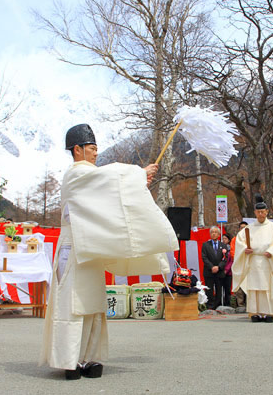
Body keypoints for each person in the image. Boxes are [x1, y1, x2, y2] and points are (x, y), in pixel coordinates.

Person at [40, 124, 178, 380]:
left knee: (93, 303)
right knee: (73, 304)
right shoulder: (76, 174)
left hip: (90, 247)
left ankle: (90, 358)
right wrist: (138, 174)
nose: (95, 153)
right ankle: (70, 359)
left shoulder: (89, 176)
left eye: (95, 149)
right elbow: (109, 180)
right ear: (77, 150)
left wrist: (137, 183)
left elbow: (110, 196)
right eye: (91, 149)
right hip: (73, 249)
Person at [231, 194, 273, 322]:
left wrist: (272, 251)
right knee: (254, 288)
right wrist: (244, 250)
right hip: (253, 260)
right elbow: (239, 241)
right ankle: (255, 313)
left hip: (267, 261)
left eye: (262, 212)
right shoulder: (249, 228)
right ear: (255, 213)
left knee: (267, 287)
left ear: (267, 212)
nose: (260, 214)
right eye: (258, 212)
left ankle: (268, 313)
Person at [201, 226, 227, 309]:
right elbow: (204, 257)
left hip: (219, 271)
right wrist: (212, 267)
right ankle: (210, 305)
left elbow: (225, 258)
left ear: (219, 234)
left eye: (215, 232)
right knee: (209, 289)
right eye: (212, 232)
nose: (214, 233)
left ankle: (217, 305)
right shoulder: (205, 245)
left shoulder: (223, 245)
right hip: (209, 271)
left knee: (219, 289)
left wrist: (218, 267)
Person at [221, 233, 234, 307]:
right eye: (223, 238)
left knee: (227, 289)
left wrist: (226, 270)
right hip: (221, 271)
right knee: (220, 288)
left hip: (228, 272)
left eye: (225, 238)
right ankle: (220, 302)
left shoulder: (230, 248)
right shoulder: (221, 248)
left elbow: (231, 261)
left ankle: (228, 303)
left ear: (228, 240)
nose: (224, 240)